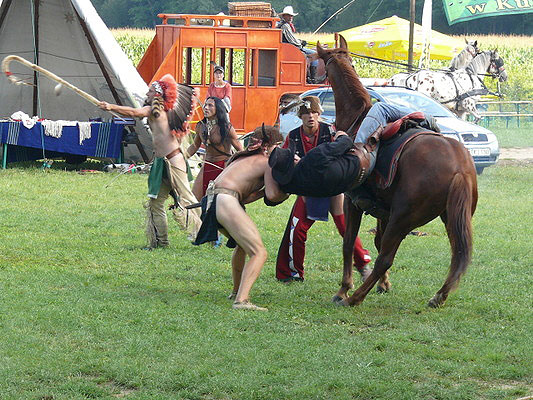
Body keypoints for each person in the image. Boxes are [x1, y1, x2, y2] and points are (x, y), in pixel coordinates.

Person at [268, 102, 439, 211]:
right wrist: (341, 135)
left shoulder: (293, 185)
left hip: (349, 185)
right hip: (361, 162)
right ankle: (425, 118)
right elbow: (346, 143)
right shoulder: (314, 157)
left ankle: (363, 198)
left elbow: (273, 199)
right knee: (380, 109)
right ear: (295, 160)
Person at [274, 96, 371, 283]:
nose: (310, 116)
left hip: (332, 186)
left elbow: (346, 151)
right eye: (306, 113)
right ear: (300, 116)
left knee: (345, 227)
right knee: (297, 228)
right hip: (308, 189)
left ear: (319, 114)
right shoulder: (293, 136)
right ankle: (293, 273)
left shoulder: (330, 131)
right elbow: (285, 161)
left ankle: (363, 265)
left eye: (314, 112)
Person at [98, 74, 202, 249]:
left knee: (187, 198)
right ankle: (161, 242)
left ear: (157, 95)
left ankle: (210, 232)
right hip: (163, 162)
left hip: (173, 161)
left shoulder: (155, 111)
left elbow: (133, 113)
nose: (147, 93)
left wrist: (110, 106)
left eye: (151, 90)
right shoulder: (161, 111)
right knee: (156, 203)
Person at [193, 125, 286, 311]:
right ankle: (241, 300)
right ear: (269, 146)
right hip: (225, 201)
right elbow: (273, 195)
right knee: (259, 252)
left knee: (243, 246)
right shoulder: (266, 161)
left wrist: (262, 192)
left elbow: (245, 197)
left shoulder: (241, 158)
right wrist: (287, 190)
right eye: (278, 146)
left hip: (211, 202)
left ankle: (236, 291)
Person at [186, 96, 243, 201]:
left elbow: (240, 149)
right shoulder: (200, 126)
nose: (206, 108)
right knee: (195, 199)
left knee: (219, 200)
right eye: (205, 105)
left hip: (223, 167)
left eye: (210, 105)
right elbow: (195, 146)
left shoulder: (226, 127)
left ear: (218, 109)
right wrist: (182, 157)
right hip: (207, 165)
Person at [277, 6, 319, 83]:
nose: (291, 17)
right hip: (291, 48)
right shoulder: (285, 26)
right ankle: (313, 79)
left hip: (290, 47)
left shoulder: (282, 25)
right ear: (284, 16)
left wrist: (300, 41)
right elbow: (291, 39)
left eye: (291, 16)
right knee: (314, 54)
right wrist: (300, 43)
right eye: (289, 15)